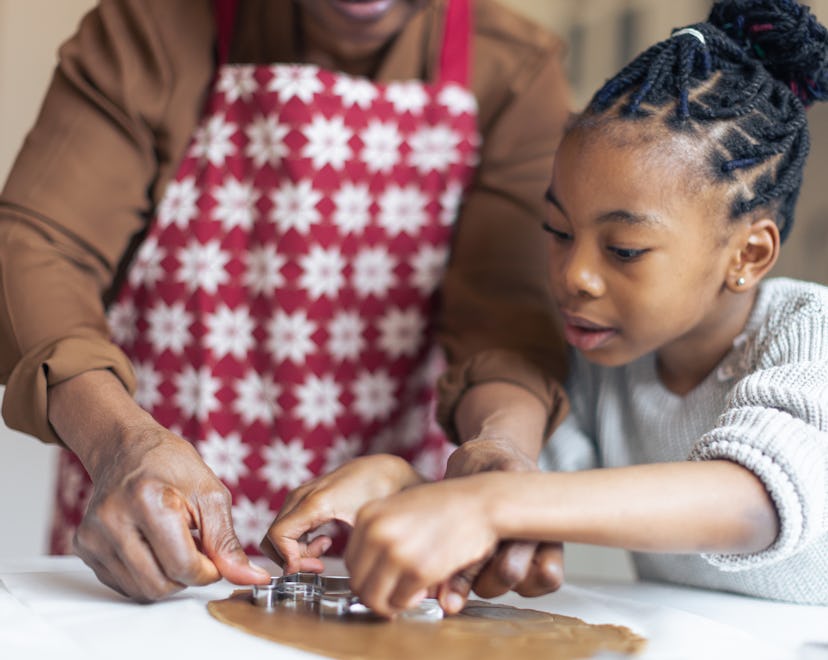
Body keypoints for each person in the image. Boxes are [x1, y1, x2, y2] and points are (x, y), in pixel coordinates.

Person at [263, 0, 828, 616]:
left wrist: (487, 506)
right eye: (558, 231)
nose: (574, 276)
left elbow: (750, 502)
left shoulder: (808, 334)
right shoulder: (606, 360)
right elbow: (534, 493)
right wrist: (405, 487)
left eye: (625, 249)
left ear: (748, 254)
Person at [0, 0, 572, 602]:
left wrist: (502, 447)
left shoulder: (514, 70)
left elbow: (508, 322)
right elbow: (36, 249)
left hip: (386, 545)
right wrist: (119, 443)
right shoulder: (149, 27)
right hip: (144, 514)